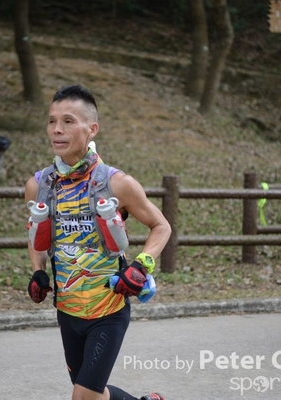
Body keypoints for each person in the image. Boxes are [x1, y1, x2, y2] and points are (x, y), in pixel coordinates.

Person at [24, 84, 172, 400]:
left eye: (68, 121)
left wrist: (141, 266)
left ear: (92, 129)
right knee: (95, 395)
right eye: (52, 121)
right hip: (68, 310)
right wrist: (38, 271)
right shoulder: (39, 186)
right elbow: (36, 236)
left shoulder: (117, 183)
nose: (57, 129)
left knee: (82, 397)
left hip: (108, 309)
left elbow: (161, 226)